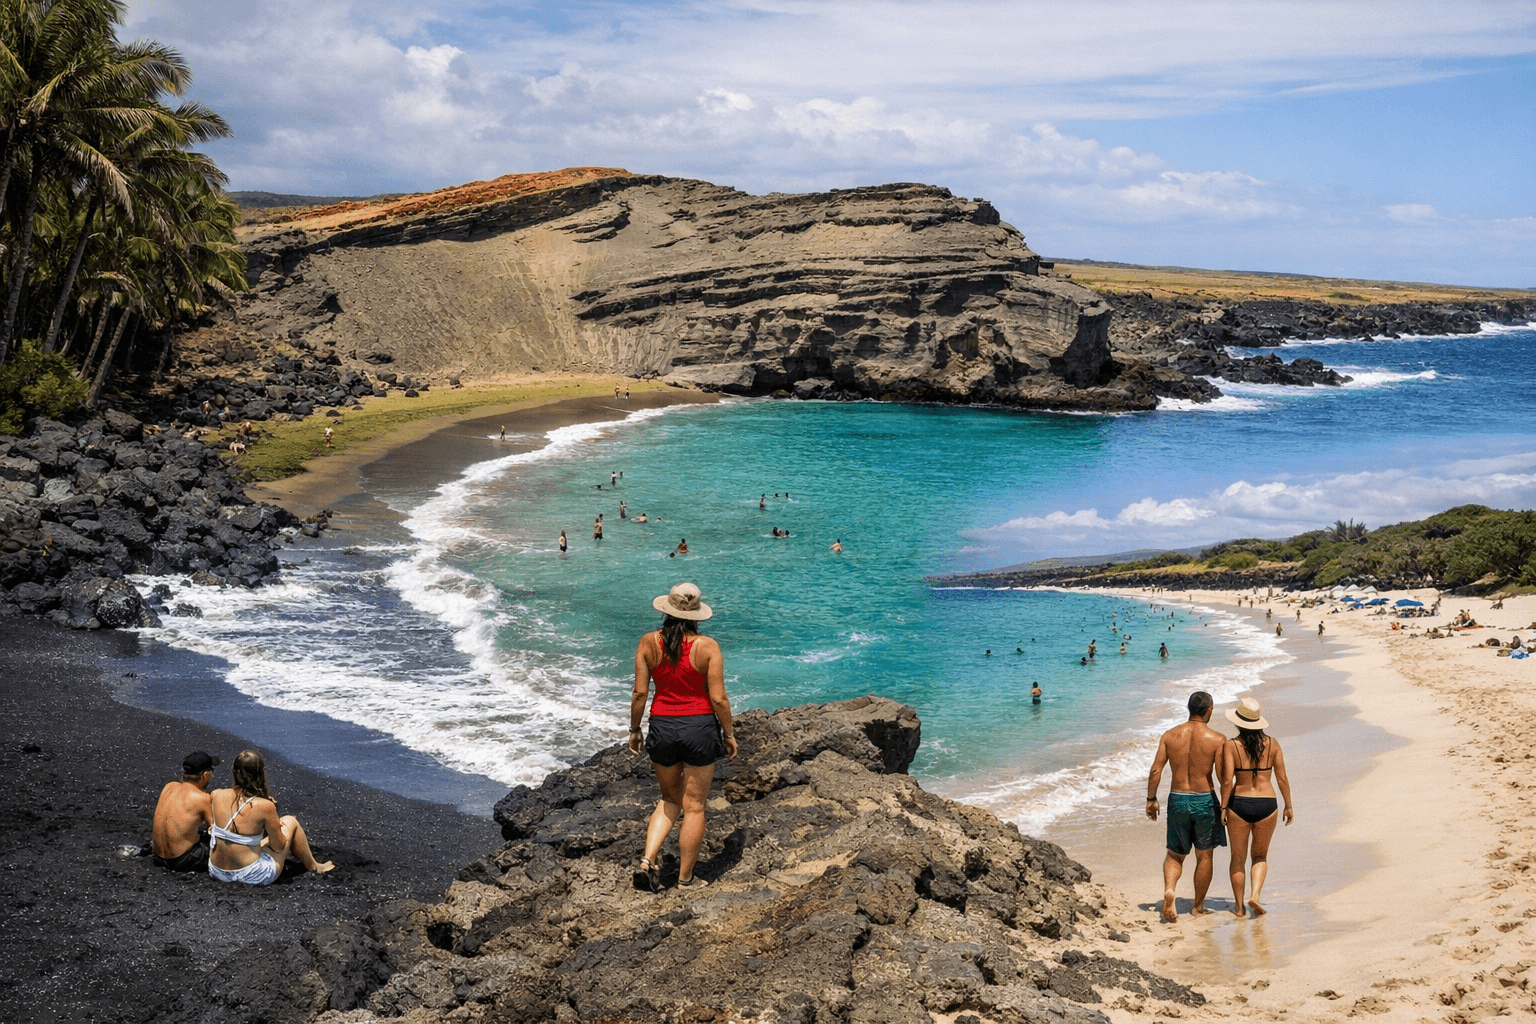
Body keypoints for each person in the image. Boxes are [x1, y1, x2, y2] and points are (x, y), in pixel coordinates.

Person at [629, 583, 737, 890]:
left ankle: (647, 859)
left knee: (668, 799)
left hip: (662, 727)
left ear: (666, 609)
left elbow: (639, 694)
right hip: (700, 729)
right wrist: (729, 733)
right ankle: (686, 879)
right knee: (695, 807)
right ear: (696, 616)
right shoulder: (708, 647)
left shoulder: (648, 643)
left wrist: (634, 730)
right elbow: (719, 699)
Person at [1146, 691, 1227, 922]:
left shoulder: (1170, 736)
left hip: (1177, 799)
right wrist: (1226, 807)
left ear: (1188, 708)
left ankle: (1170, 890)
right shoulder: (1217, 739)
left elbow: (1155, 770)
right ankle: (1197, 907)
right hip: (1204, 800)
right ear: (1209, 709)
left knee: (1175, 854)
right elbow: (1223, 779)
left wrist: (1151, 800)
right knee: (1204, 857)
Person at [208, 750, 332, 884]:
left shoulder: (216, 795)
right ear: (260, 773)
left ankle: (310, 863)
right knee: (290, 821)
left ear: (234, 771)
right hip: (250, 874)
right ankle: (313, 866)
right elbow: (278, 846)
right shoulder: (265, 806)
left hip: (217, 871)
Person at [1218, 697, 1294, 917]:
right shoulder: (1272, 744)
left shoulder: (1231, 746)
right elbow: (1282, 779)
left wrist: (1223, 808)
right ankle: (1256, 896)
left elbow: (1226, 781)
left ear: (1238, 722)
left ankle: (1240, 907)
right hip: (1267, 804)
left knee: (1238, 859)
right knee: (1260, 856)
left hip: (1239, 803)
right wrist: (1288, 805)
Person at [150, 750, 219, 872]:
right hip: (180, 860)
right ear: (205, 775)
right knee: (222, 848)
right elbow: (217, 831)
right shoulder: (203, 798)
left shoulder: (169, 786)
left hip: (158, 857)